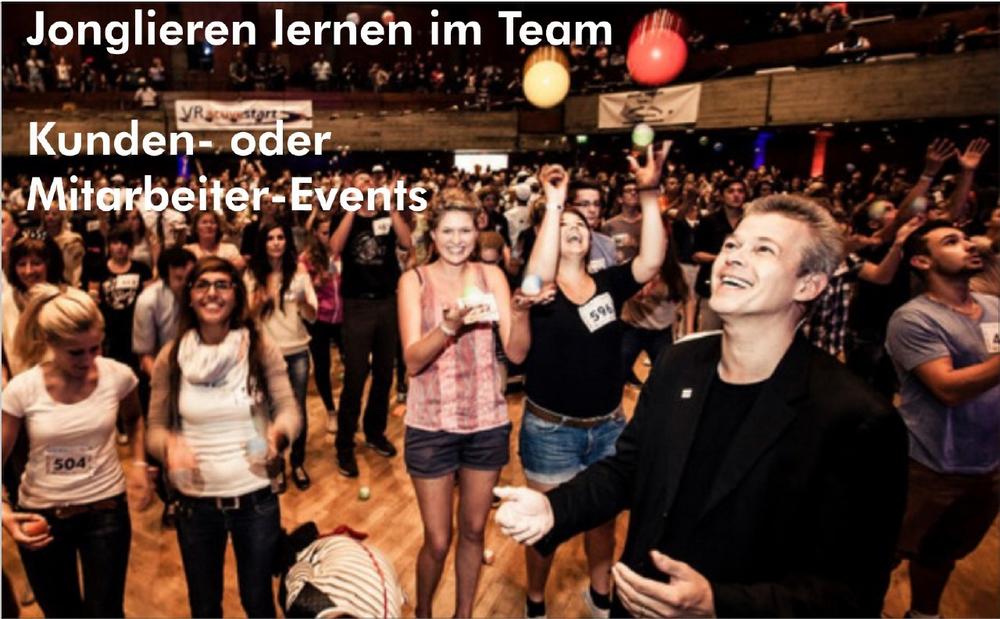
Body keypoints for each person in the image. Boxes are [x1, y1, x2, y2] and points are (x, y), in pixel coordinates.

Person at [495, 194, 909, 617]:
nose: (734, 257)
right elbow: (628, 469)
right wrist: (553, 509)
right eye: (732, 245)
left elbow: (851, 595)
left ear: (808, 285)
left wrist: (717, 604)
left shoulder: (856, 419)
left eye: (763, 249)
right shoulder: (678, 365)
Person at [512, 149, 667, 619]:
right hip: (551, 431)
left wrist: (649, 193)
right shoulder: (539, 292)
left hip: (608, 427)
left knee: (603, 521)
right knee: (544, 526)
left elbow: (651, 260)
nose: (574, 229)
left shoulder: (608, 284)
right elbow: (537, 274)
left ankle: (600, 597)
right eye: (563, 226)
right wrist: (555, 202)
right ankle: (535, 601)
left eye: (580, 225)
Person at [397, 193, 529, 618]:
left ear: (478, 230)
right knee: (438, 540)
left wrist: (521, 313)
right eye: (448, 231)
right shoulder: (414, 281)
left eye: (465, 230)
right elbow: (412, 360)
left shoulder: (492, 276)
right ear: (433, 235)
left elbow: (517, 352)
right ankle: (423, 612)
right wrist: (448, 326)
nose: (457, 240)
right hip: (430, 424)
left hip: (486, 421)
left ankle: (463, 615)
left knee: (473, 530)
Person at [146, 257, 300, 617]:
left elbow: (289, 410)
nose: (212, 293)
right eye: (202, 285)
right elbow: (154, 429)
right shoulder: (172, 356)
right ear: (189, 296)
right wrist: (169, 446)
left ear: (236, 295)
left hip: (255, 498)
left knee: (257, 600)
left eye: (222, 284)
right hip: (196, 505)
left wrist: (277, 436)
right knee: (204, 605)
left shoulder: (259, 347)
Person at [1, 285, 151, 617]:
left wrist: (139, 463)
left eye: (95, 348)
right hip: (42, 515)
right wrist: (4, 511)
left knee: (106, 611)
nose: (88, 360)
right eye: (75, 352)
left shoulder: (118, 376)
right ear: (50, 342)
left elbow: (134, 419)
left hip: (106, 511)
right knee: (61, 611)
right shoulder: (22, 390)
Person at [885, 221, 999, 619]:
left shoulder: (994, 308)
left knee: (942, 553)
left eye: (966, 238)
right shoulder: (913, 319)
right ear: (922, 261)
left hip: (986, 465)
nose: (968, 245)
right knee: (886, 551)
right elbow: (947, 388)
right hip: (928, 466)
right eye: (951, 241)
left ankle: (923, 614)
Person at [329, 172, 412, 477]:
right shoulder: (344, 216)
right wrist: (353, 208)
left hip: (387, 302)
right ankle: (344, 444)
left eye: (369, 181)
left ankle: (374, 432)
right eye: (360, 181)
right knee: (355, 375)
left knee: (384, 373)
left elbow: (406, 243)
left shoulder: (386, 214)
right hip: (357, 304)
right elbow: (335, 248)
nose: (366, 185)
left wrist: (390, 207)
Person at [246, 222, 318, 490]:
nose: (276, 242)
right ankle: (275, 464)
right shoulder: (253, 275)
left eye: (280, 237)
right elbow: (244, 317)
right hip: (265, 354)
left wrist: (303, 302)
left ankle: (297, 462)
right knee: (265, 411)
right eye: (270, 238)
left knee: (297, 409)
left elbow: (313, 316)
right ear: (262, 243)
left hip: (296, 350)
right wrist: (258, 303)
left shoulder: (299, 272)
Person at [299, 213, 344, 433]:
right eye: (325, 232)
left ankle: (347, 409)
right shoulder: (306, 258)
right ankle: (331, 411)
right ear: (316, 233)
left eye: (332, 231)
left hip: (344, 317)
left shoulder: (342, 251)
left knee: (357, 364)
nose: (329, 236)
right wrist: (317, 282)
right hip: (319, 319)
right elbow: (301, 291)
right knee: (322, 365)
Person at [692, 178, 747, 331]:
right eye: (731, 191)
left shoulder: (750, 221)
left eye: (740, 191)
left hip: (743, 288)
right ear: (722, 196)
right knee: (709, 334)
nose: (736, 195)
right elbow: (696, 254)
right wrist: (724, 258)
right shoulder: (709, 221)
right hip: (712, 285)